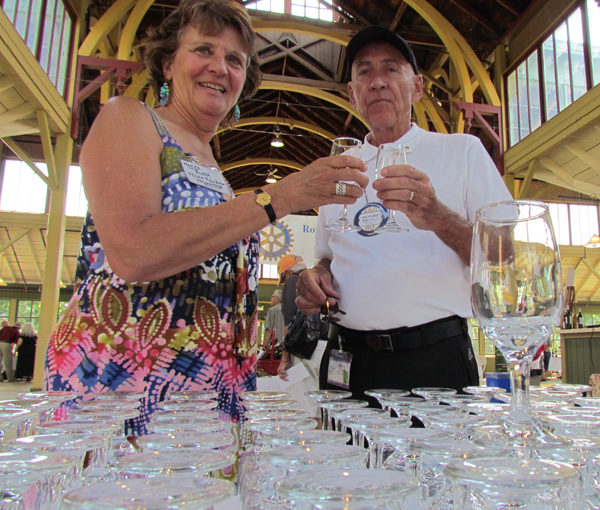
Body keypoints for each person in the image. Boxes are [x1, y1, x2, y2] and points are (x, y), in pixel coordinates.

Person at [43, 0, 368, 445]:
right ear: (166, 63)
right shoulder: (129, 119)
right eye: (203, 50)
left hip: (205, 398)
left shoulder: (213, 168)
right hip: (123, 386)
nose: (220, 67)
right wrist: (283, 195)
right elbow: (134, 252)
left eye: (235, 60)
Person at [295, 26, 513, 406]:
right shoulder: (336, 170)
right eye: (364, 72)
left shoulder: (462, 152)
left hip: (435, 361)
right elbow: (328, 256)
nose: (377, 82)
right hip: (349, 361)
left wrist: (438, 215)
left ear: (417, 86)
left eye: (391, 69)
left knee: (438, 466)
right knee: (347, 465)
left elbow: (504, 256)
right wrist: (317, 278)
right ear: (352, 94)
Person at [277, 254, 328, 418]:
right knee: (321, 411)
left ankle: (307, 443)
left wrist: (284, 358)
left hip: (304, 350)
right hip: (327, 347)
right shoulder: (323, 279)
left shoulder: (294, 283)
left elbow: (290, 324)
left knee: (303, 411)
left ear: (289, 273)